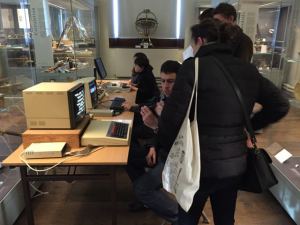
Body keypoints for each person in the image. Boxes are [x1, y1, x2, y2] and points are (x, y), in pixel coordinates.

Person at [151, 19, 289, 225]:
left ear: (200, 40)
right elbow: (280, 105)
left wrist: (163, 147)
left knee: (187, 219)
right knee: (225, 219)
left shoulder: (193, 67)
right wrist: (249, 126)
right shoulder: (247, 70)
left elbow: (171, 122)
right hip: (234, 164)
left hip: (197, 165)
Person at [129, 60, 181, 224]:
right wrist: (152, 145)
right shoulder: (165, 98)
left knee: (141, 188)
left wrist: (157, 126)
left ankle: (183, 218)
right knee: (128, 158)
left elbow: (178, 143)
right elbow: (159, 132)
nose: (165, 86)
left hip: (174, 160)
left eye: (171, 81)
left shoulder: (183, 105)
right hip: (162, 150)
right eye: (163, 81)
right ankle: (149, 199)